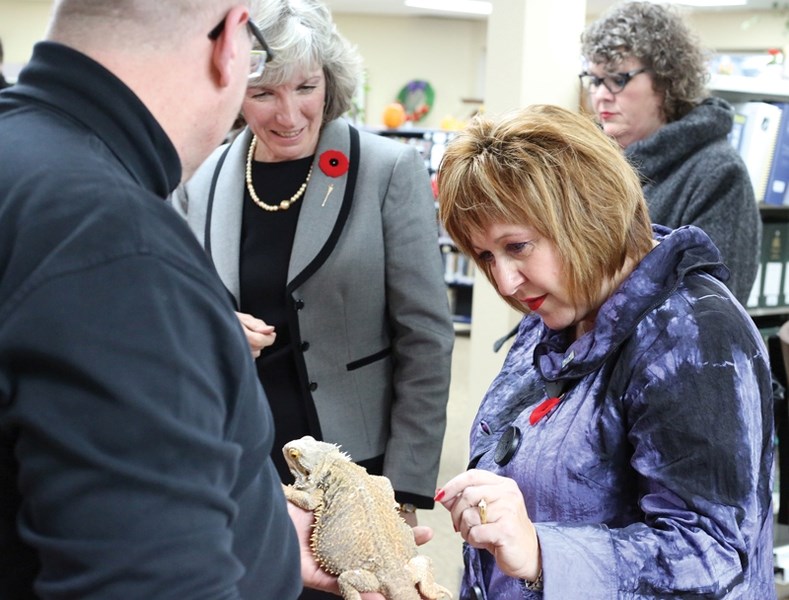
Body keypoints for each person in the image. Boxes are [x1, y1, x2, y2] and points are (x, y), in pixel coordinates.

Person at [0, 1, 416, 598]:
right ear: (231, 42)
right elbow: (147, 581)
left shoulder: (25, 158)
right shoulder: (118, 241)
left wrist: (260, 526)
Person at [433, 104, 775, 598]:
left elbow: (713, 553)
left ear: (587, 214)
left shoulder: (692, 333)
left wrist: (540, 553)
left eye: (518, 246)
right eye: (485, 256)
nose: (504, 281)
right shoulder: (557, 312)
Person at [173, 0, 454, 551]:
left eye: (305, 87)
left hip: (358, 466)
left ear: (330, 81)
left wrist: (403, 487)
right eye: (263, 93)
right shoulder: (201, 179)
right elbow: (179, 308)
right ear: (233, 92)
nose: (289, 114)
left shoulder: (385, 170)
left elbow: (426, 337)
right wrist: (215, 326)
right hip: (240, 461)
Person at [580, 1, 760, 306]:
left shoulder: (718, 173)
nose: (601, 95)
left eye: (618, 79)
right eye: (595, 80)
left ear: (667, 80)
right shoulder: (591, 163)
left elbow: (711, 310)